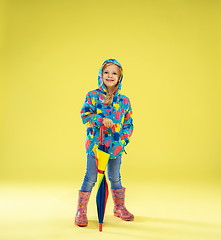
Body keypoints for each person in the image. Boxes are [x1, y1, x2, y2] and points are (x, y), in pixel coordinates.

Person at [75, 58, 134, 227]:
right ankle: (81, 211)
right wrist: (101, 119)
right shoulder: (92, 96)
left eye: (114, 73)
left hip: (115, 148)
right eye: (106, 72)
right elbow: (84, 116)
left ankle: (119, 207)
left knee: (115, 178)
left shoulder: (124, 101)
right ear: (100, 75)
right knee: (91, 178)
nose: (110, 76)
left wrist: (123, 141)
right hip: (96, 145)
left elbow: (129, 123)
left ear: (120, 77)